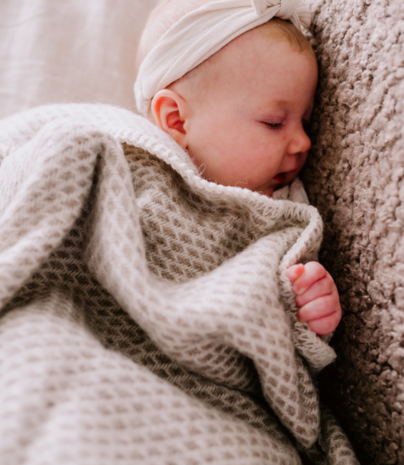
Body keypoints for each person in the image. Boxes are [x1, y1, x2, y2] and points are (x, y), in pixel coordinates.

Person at [135, 0, 342, 336]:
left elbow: (285, 311)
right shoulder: (136, 174)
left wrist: (314, 306)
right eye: (274, 123)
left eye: (305, 121)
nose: (303, 142)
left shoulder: (288, 208)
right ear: (177, 121)